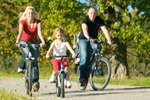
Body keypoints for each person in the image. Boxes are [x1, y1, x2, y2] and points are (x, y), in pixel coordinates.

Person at [78, 7, 112, 86]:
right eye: (91, 13)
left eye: (94, 13)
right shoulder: (85, 20)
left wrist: (109, 41)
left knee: (98, 48)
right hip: (84, 38)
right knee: (84, 57)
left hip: (94, 38)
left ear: (96, 14)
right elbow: (85, 29)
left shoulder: (99, 20)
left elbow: (105, 30)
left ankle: (94, 63)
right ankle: (82, 78)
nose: (92, 15)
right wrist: (88, 37)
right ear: (88, 13)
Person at [15, 6, 45, 89]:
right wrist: (17, 41)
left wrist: (43, 41)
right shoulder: (23, 22)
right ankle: (21, 67)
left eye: (32, 13)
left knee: (34, 60)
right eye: (29, 13)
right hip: (23, 41)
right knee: (27, 53)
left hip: (34, 42)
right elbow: (20, 32)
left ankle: (36, 82)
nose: (30, 15)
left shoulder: (38, 22)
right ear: (26, 14)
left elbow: (39, 32)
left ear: (34, 14)